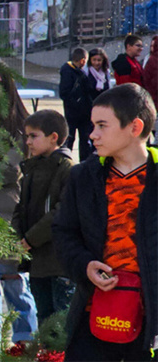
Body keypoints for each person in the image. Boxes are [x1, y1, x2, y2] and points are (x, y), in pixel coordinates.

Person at [53, 83, 158, 361]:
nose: (92, 135)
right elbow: (64, 233)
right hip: (94, 316)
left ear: (134, 127)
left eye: (102, 125)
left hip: (150, 322)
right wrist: (84, 265)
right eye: (92, 125)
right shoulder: (82, 177)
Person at [0, 70, 37, 345]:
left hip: (7, 215)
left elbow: (10, 171)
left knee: (13, 281)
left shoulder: (20, 126)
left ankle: (25, 342)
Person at [13, 110, 73, 324]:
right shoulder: (31, 168)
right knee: (44, 320)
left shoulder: (67, 169)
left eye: (33, 136)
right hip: (36, 260)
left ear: (53, 137)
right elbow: (21, 208)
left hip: (58, 262)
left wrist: (30, 239)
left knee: (61, 322)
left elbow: (61, 212)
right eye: (26, 136)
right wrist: (18, 238)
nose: (27, 142)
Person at [60, 47, 93, 158]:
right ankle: (66, 161)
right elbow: (65, 93)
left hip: (81, 113)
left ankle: (82, 163)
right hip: (74, 112)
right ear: (83, 60)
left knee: (84, 140)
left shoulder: (79, 72)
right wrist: (77, 102)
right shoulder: (69, 71)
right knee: (70, 139)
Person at [85, 48, 115, 158]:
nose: (97, 63)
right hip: (90, 107)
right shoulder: (87, 73)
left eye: (99, 60)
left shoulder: (106, 73)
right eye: (94, 60)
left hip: (103, 107)